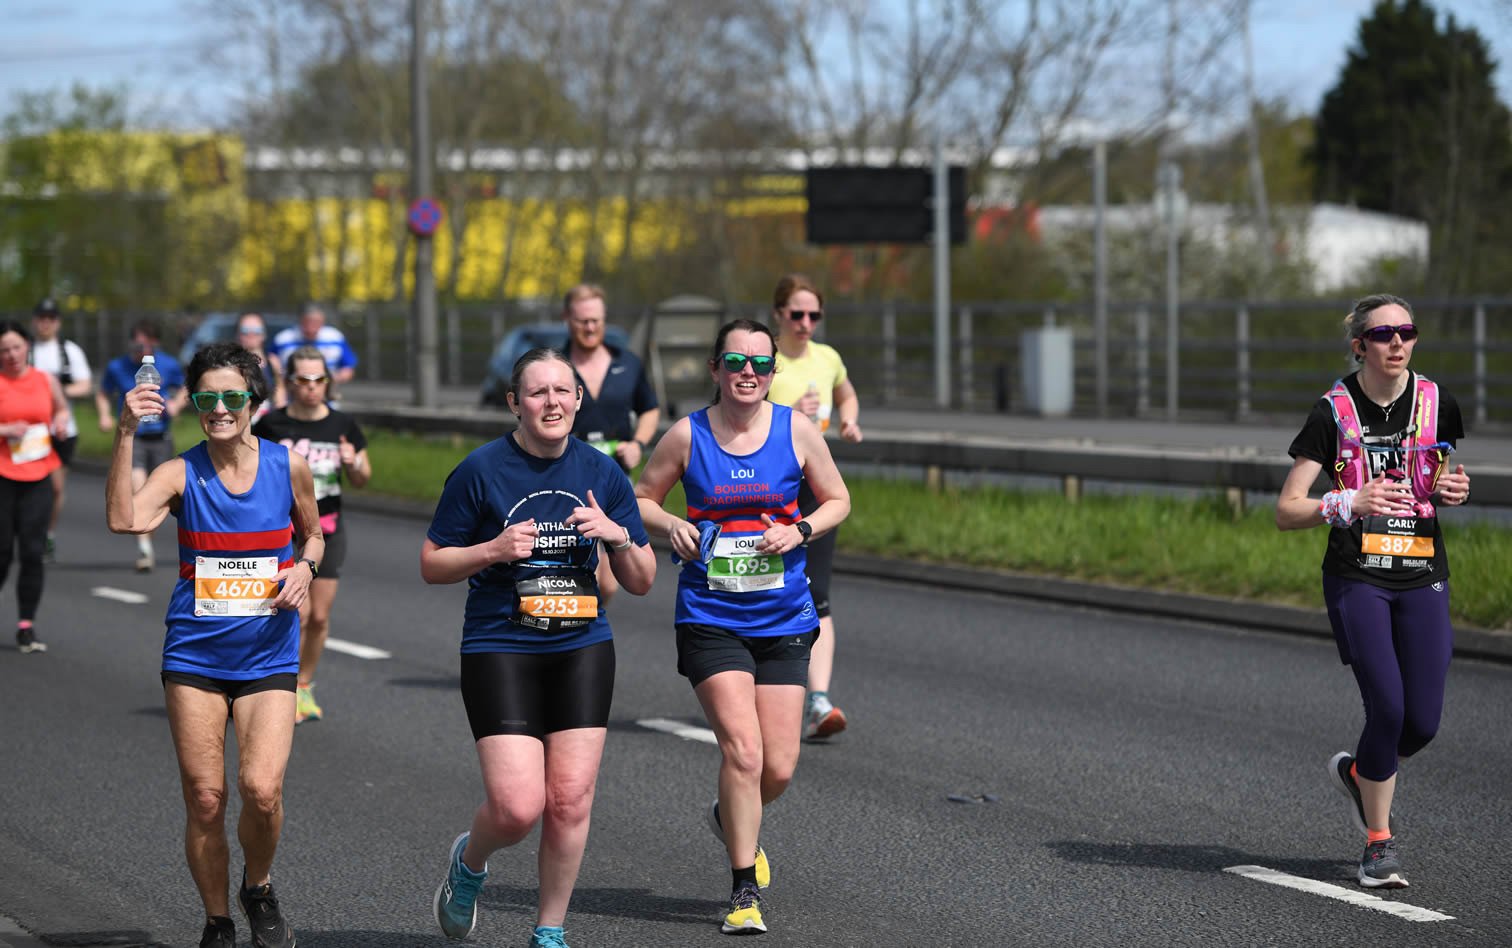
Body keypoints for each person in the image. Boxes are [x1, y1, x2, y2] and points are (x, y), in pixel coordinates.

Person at [421, 348, 654, 948]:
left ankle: (548, 929)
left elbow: (642, 579)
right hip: (502, 645)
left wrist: (618, 536)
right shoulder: (481, 470)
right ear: (514, 404)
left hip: (581, 645)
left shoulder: (603, 474)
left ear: (579, 399)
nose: (551, 402)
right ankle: (469, 863)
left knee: (570, 799)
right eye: (536, 393)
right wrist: (492, 552)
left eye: (562, 390)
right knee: (518, 807)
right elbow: (432, 564)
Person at [634, 319, 850, 935]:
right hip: (711, 615)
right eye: (735, 361)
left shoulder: (797, 431)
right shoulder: (687, 434)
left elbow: (838, 499)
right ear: (715, 370)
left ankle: (729, 813)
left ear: (773, 371)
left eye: (759, 362)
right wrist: (670, 525)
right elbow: (641, 498)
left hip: (783, 614)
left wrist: (800, 529)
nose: (747, 372)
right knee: (744, 750)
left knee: (778, 767)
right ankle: (741, 894)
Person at [106, 341, 323, 948]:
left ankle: (258, 885)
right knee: (206, 798)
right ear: (195, 404)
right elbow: (124, 521)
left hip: (268, 652)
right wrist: (126, 432)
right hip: (196, 656)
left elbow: (313, 534)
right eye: (207, 399)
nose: (220, 409)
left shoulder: (289, 466)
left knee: (262, 788)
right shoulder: (179, 472)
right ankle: (218, 922)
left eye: (232, 397)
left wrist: (305, 567)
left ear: (254, 400)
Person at [1276, 293, 1471, 890]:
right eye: (1383, 334)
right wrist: (1346, 502)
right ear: (1359, 344)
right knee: (1386, 707)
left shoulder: (1438, 402)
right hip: (1358, 574)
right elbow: (1287, 510)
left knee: (1423, 723)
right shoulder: (1331, 412)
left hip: (1421, 571)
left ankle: (1362, 774)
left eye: (1406, 332)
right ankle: (1378, 845)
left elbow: (1439, 474)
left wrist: (1454, 488)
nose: (1397, 343)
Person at [765, 274, 863, 740]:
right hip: (764, 490)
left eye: (814, 315)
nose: (806, 323)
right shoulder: (766, 360)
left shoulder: (828, 358)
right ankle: (751, 682)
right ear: (779, 313)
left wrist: (847, 420)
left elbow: (844, 390)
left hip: (814, 487)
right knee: (760, 586)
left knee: (816, 591)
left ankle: (818, 700)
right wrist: (792, 415)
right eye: (797, 314)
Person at [253, 346, 370, 724]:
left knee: (318, 616)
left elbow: (363, 479)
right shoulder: (270, 425)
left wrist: (353, 464)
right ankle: (278, 688)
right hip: (281, 531)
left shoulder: (343, 424)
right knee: (296, 615)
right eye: (303, 380)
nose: (311, 387)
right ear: (290, 382)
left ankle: (303, 685)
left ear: (328, 381)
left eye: (319, 379)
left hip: (327, 529)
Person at [561, 284, 660, 608]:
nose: (590, 327)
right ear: (567, 320)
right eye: (582, 321)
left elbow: (649, 409)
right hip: (566, 477)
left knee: (610, 581)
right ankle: (572, 629)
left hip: (615, 478)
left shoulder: (627, 364)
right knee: (579, 568)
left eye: (596, 321)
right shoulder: (555, 366)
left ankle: (584, 626)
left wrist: (638, 444)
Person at [0, 321, 70, 653]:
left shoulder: (46, 380)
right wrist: (4, 429)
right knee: (2, 553)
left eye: (15, 347)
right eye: (4, 350)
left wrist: (59, 421)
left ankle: (26, 626)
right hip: (2, 474)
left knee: (32, 552)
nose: (11, 355)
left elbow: (62, 408)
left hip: (39, 473)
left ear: (27, 345)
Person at [97, 320, 188, 572]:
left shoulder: (168, 364)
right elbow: (103, 393)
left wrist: (176, 405)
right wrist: (105, 415)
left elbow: (185, 387)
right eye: (138, 343)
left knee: (157, 496)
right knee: (138, 486)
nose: (143, 349)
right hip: (133, 437)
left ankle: (146, 542)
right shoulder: (117, 367)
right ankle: (145, 548)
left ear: (156, 343)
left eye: (148, 344)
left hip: (160, 436)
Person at [28, 298, 91, 563]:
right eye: (41, 317)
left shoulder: (68, 351)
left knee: (54, 488)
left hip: (62, 429)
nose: (46, 323)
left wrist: (55, 393)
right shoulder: (25, 350)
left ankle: (47, 533)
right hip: (28, 431)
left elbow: (85, 385)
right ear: (34, 321)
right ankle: (26, 532)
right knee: (27, 485)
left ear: (58, 322)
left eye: (51, 318)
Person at [270, 303, 358, 386]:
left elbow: (348, 367)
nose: (311, 327)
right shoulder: (283, 339)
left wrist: (333, 379)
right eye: (308, 321)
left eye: (316, 322)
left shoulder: (335, 337)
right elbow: (269, 362)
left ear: (323, 321)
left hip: (326, 396)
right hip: (289, 395)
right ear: (300, 320)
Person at [237, 314, 285, 415]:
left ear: (264, 334)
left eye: (257, 330)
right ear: (238, 334)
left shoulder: (273, 361)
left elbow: (280, 389)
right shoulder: (231, 363)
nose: (251, 334)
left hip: (266, 421)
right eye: (245, 330)